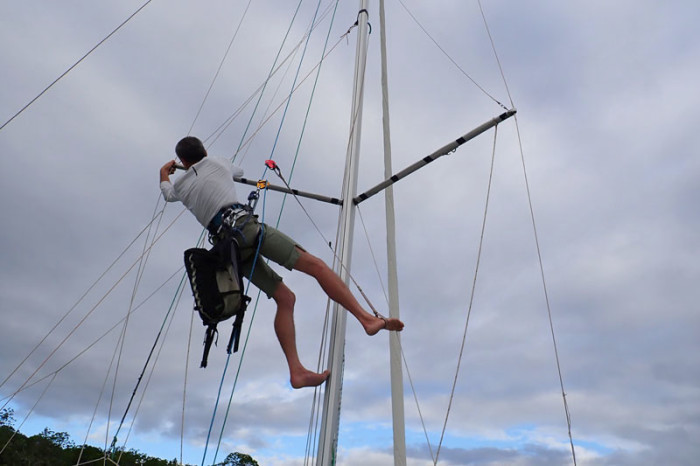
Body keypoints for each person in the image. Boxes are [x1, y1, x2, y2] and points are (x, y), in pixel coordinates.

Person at [160, 136, 404, 388]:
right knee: (316, 266)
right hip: (247, 229)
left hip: (230, 250)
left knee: (285, 299)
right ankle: (366, 319)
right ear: (204, 151)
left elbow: (167, 194)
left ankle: (296, 371)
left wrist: (165, 174)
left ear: (184, 162)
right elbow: (238, 171)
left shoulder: (180, 187)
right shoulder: (218, 163)